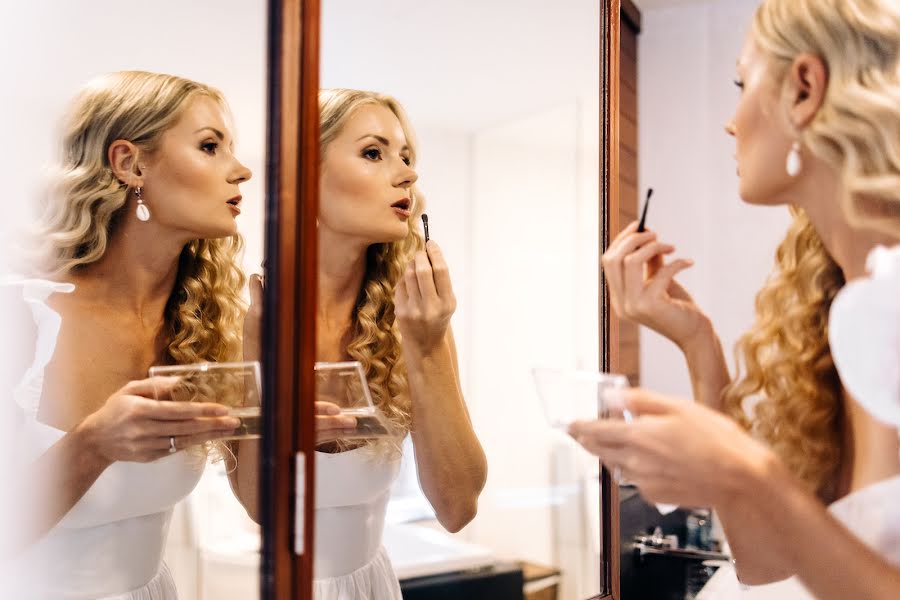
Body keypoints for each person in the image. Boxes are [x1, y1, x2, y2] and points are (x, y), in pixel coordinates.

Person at [569, 0, 900, 598]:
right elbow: (766, 566)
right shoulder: (849, 302)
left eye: (743, 85)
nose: (730, 122)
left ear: (804, 88)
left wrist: (747, 475)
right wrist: (697, 342)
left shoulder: (888, 307)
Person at [3, 70, 254, 599]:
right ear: (130, 163)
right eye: (211, 146)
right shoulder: (22, 315)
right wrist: (93, 444)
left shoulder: (206, 331)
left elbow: (263, 500)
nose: (242, 170)